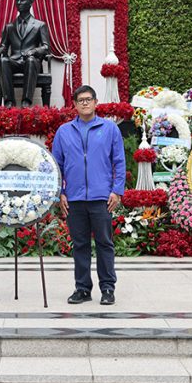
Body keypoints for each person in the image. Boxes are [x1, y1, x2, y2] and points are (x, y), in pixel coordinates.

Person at [52, 85, 126, 305]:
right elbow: (56, 166)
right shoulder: (64, 132)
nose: (84, 103)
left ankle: (107, 288)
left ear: (95, 102)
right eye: (80, 100)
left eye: (88, 99)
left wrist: (117, 191)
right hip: (74, 199)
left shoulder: (110, 128)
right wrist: (60, 193)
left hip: (101, 198)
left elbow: (119, 162)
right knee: (80, 244)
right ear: (74, 105)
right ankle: (82, 288)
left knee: (104, 243)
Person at [0, 0, 51, 108]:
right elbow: (4, 45)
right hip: (15, 61)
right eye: (17, 0)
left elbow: (46, 47)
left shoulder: (40, 25)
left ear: (30, 2)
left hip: (31, 61)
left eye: (22, 0)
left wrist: (34, 51)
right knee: (3, 60)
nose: (19, 2)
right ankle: (9, 102)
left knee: (30, 61)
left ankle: (26, 101)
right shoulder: (10, 26)